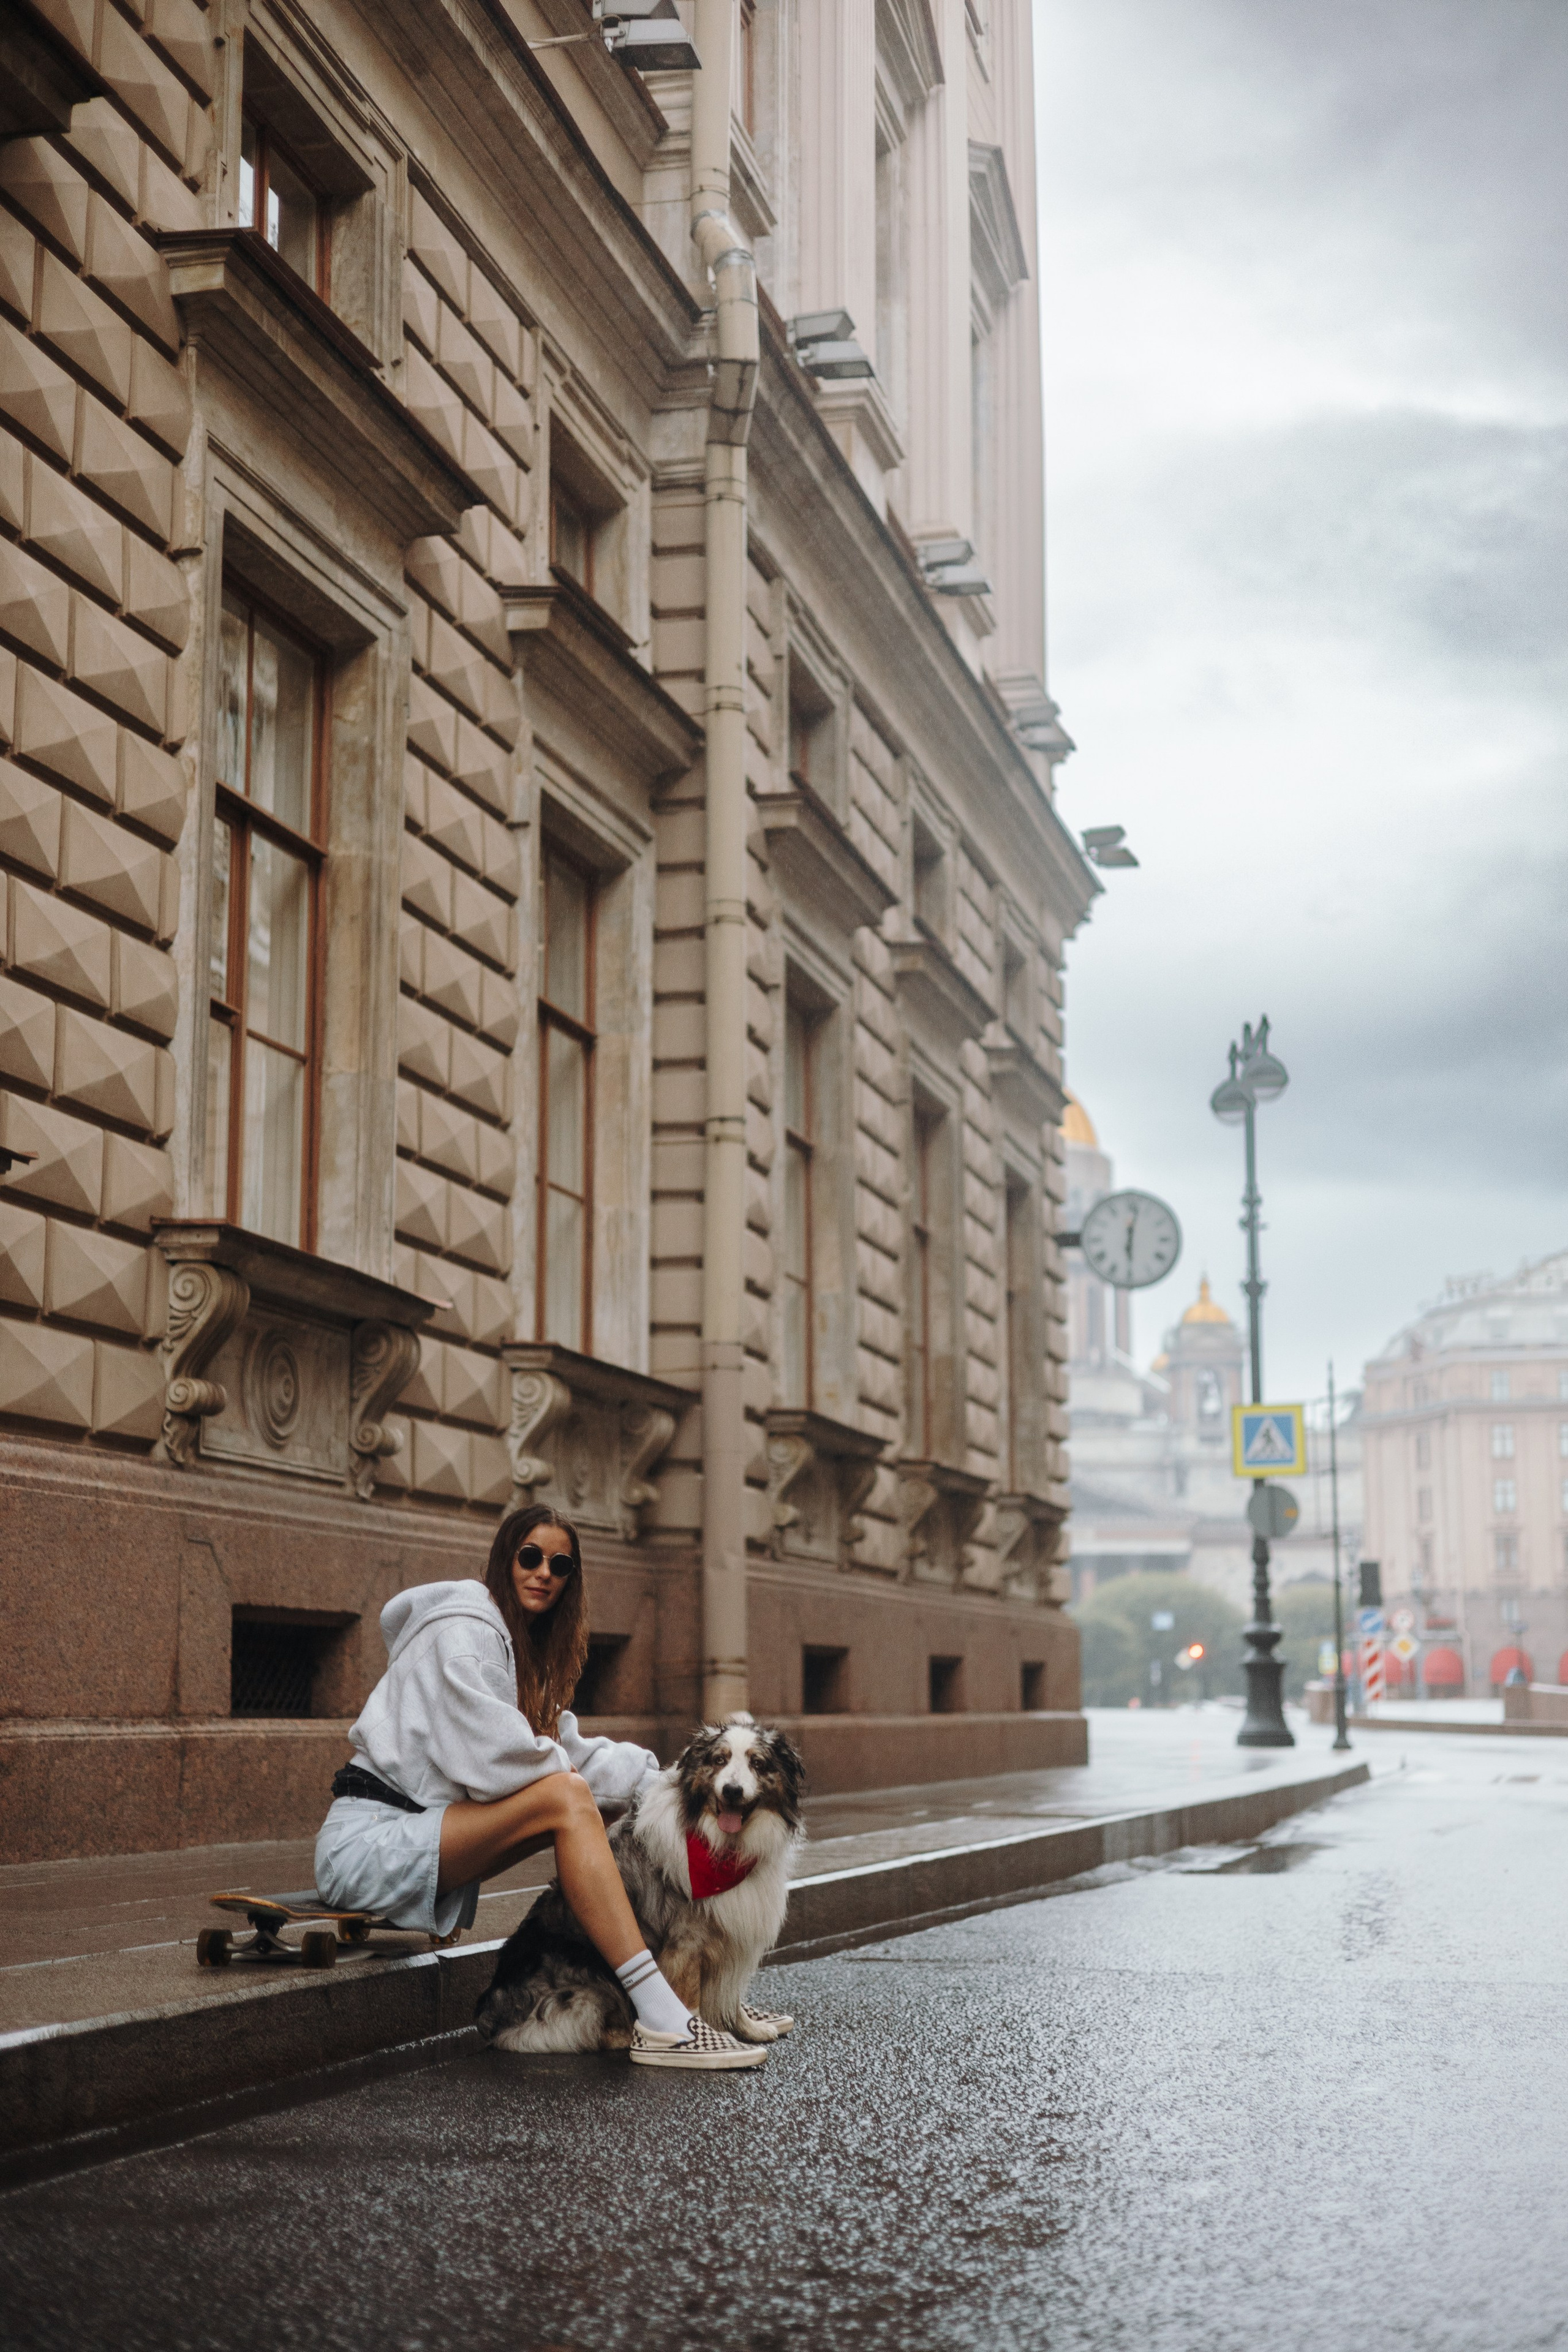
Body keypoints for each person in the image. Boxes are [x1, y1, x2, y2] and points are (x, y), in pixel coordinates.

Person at [314, 1503, 764, 2071]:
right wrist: (582, 1785)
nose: (544, 1572)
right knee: (566, 1798)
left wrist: (666, 1781)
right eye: (530, 1557)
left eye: (561, 1565)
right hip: (367, 1845)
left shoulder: (516, 1647)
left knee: (583, 1797)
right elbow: (495, 1758)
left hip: (415, 1835)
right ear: (505, 1559)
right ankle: (664, 2016)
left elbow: (567, 1750)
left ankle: (668, 1998)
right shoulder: (464, 1632)